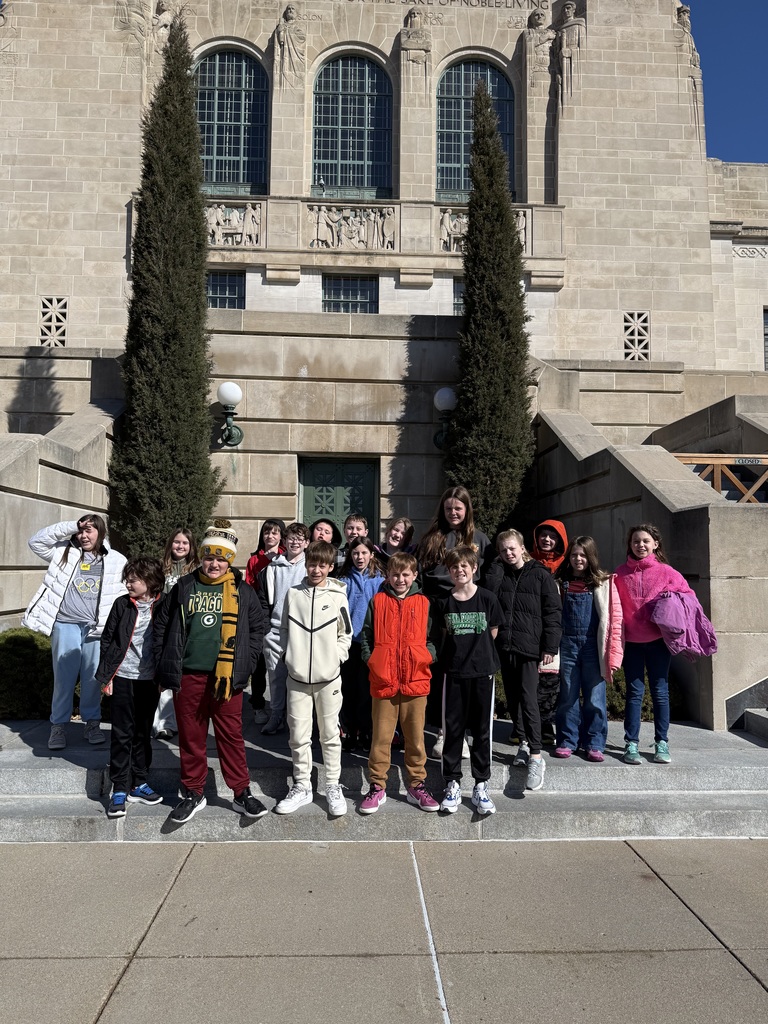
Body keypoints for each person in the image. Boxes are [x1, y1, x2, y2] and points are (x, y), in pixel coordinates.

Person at [153, 520, 268, 823]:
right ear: (201, 557)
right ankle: (194, 791)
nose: (214, 563)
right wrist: (163, 663)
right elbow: (162, 626)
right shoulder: (185, 586)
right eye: (209, 557)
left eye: (221, 558)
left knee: (230, 737)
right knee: (191, 738)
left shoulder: (243, 591)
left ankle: (241, 792)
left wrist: (245, 660)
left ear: (229, 560)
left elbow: (258, 629)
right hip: (188, 676)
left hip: (226, 679)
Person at [23, 514, 127, 751]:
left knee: (93, 679)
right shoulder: (63, 553)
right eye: (81, 531)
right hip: (66, 623)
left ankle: (92, 723)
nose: (84, 535)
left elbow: (124, 591)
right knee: (64, 679)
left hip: (96, 628)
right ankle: (58, 726)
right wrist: (72, 525)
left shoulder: (116, 560)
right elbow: (36, 542)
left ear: (101, 532)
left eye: (89, 530)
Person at [274, 540, 353, 816]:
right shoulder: (293, 594)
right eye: (312, 564)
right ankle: (302, 785)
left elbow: (346, 633)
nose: (316, 570)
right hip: (296, 679)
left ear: (331, 567)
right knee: (298, 735)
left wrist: (336, 657)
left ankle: (332, 784)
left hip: (328, 679)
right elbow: (283, 629)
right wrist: (289, 655)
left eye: (322, 565)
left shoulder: (337, 595)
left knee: (330, 735)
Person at [358, 552, 440, 814]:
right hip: (384, 680)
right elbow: (367, 636)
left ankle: (417, 784)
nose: (400, 579)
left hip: (415, 679)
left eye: (406, 574)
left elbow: (434, 637)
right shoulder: (378, 600)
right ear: (388, 576)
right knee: (381, 738)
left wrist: (427, 657)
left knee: (415, 738)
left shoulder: (424, 603)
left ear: (415, 576)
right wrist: (373, 661)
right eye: (395, 574)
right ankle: (377, 786)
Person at [485, 529, 561, 792]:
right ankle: (523, 744)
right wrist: (496, 566)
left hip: (529, 647)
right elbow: (490, 596)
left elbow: (552, 612)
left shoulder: (540, 574)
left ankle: (537, 757)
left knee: (529, 699)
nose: (508, 553)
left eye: (512, 548)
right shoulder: (501, 573)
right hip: (505, 645)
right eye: (503, 550)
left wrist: (550, 646)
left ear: (522, 547)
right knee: (514, 698)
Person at [417, 486, 491, 743]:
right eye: (448, 508)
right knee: (441, 667)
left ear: (467, 510)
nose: (453, 513)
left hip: (469, 608)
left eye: (458, 508)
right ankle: (442, 729)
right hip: (437, 608)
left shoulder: (479, 539)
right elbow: (420, 574)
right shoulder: (431, 538)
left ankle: (467, 729)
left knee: (467, 667)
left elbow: (489, 578)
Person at [614, 523, 692, 766]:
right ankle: (632, 744)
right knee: (634, 694)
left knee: (660, 692)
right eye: (636, 541)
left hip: (658, 642)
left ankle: (662, 742)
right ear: (630, 545)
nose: (640, 545)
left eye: (646, 541)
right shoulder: (619, 574)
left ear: (655, 544)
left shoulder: (668, 572)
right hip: (632, 644)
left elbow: (688, 596)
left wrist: (674, 600)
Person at [96, 557, 165, 818]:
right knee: (122, 733)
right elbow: (108, 640)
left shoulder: (164, 605)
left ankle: (139, 782)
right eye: (128, 578)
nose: (128, 583)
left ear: (149, 581)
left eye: (133, 579)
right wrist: (107, 677)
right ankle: (120, 788)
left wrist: (164, 678)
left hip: (150, 680)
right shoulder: (122, 605)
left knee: (142, 733)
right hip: (122, 677)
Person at [437, 547, 504, 815]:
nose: (460, 570)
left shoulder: (487, 599)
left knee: (481, 731)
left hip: (482, 672)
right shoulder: (444, 602)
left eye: (465, 566)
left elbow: (494, 632)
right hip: (453, 674)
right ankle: (452, 783)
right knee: (452, 730)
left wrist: (478, 656)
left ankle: (480, 785)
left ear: (474, 568)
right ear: (450, 571)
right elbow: (443, 635)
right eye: (454, 567)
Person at [553, 537, 623, 762]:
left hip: (593, 645)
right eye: (574, 554)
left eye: (583, 555)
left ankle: (594, 742)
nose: (578, 559)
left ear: (591, 556)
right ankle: (567, 739)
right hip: (568, 645)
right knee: (568, 696)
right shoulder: (561, 582)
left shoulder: (601, 582)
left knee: (595, 697)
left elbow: (611, 617)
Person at [258, 521, 311, 734]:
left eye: (300, 539)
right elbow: (264, 600)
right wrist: (266, 628)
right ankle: (276, 714)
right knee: (276, 677)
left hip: (302, 631)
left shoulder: (311, 566)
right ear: (284, 541)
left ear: (307, 543)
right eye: (291, 538)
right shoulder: (272, 568)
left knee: (301, 678)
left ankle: (299, 720)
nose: (295, 542)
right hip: (277, 629)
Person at [337, 537, 384, 750]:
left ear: (371, 555)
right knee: (348, 688)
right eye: (355, 553)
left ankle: (366, 731)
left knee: (367, 690)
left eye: (364, 553)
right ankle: (349, 731)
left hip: (370, 642)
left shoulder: (379, 580)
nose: (359, 557)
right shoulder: (343, 579)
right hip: (348, 642)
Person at [153, 528, 198, 739]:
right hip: (164, 628)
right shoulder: (160, 569)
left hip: (188, 629)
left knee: (186, 679)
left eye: (185, 543)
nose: (180, 546)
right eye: (177, 542)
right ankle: (164, 723)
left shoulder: (197, 570)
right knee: (165, 675)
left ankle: (186, 721)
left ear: (191, 547)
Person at [530, 518, 569, 745]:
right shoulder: (528, 562)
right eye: (543, 535)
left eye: (552, 536)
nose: (547, 539)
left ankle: (546, 725)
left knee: (550, 682)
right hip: (532, 630)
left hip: (558, 630)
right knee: (530, 681)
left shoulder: (566, 566)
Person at [245, 519, 286, 725]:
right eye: (266, 533)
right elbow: (250, 588)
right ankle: (258, 705)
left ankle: (283, 707)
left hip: (283, 616)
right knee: (259, 663)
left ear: (281, 536)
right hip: (260, 615)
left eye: (275, 533)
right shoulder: (254, 560)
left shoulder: (287, 557)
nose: (270, 536)